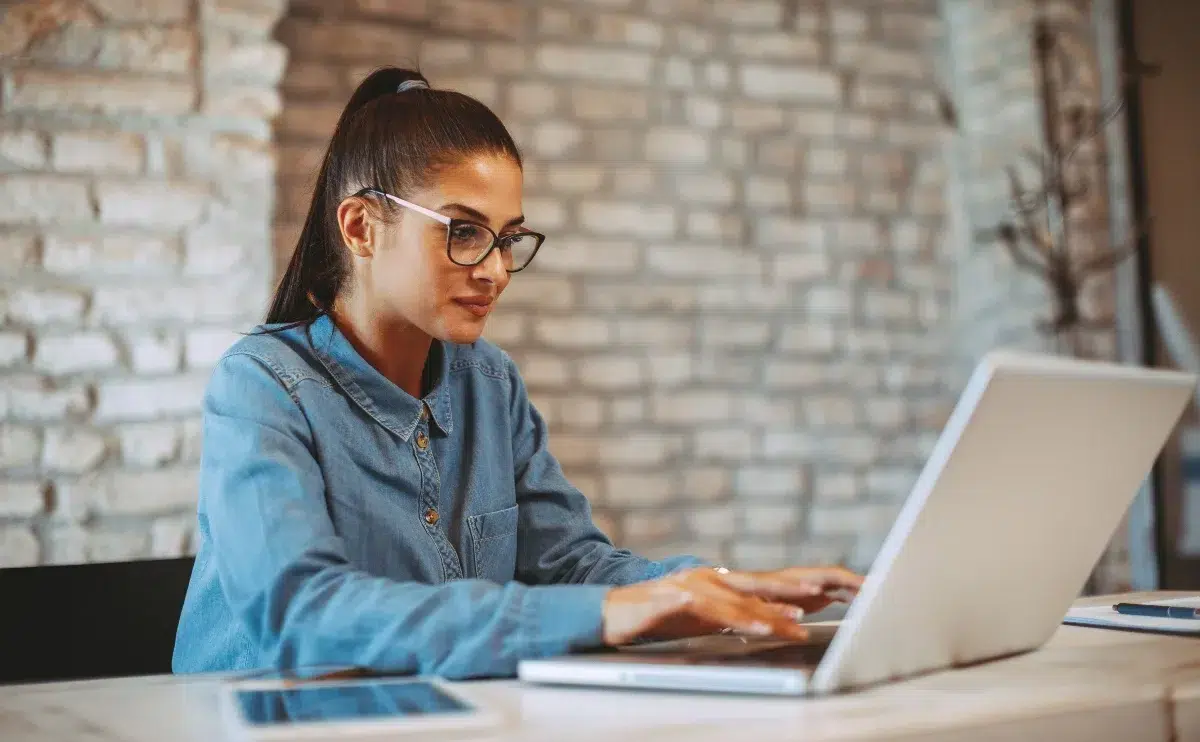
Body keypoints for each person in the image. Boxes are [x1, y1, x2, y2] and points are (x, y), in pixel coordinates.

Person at [171, 67, 864, 679]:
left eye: (507, 238)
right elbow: (301, 610)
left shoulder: (487, 383)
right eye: (463, 231)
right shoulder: (261, 386)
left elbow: (572, 566)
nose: (497, 270)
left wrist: (719, 587)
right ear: (360, 228)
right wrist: (609, 613)